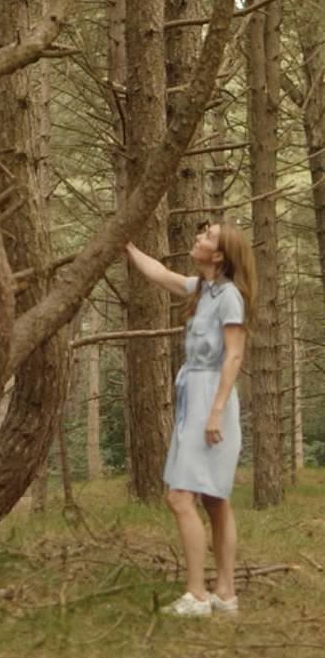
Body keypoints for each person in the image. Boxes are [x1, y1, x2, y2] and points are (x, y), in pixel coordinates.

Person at [126, 218, 257, 618]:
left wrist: (215, 412)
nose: (198, 237)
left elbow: (234, 355)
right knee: (215, 500)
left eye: (208, 236)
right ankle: (225, 594)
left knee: (180, 496)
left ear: (219, 254)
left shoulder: (230, 296)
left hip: (211, 398)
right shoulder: (201, 289)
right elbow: (159, 274)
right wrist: (125, 244)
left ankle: (198, 595)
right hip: (194, 396)